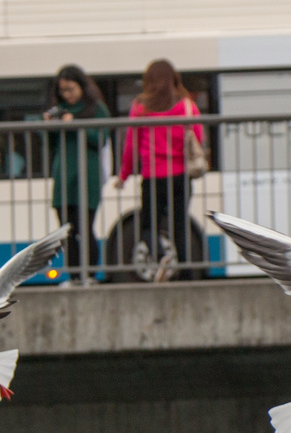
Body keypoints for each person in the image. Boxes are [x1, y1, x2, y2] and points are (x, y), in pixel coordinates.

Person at [116, 59, 203, 280]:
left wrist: (124, 175)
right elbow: (198, 138)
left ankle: (160, 253)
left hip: (153, 177)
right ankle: (186, 276)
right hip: (181, 176)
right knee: (180, 226)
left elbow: (131, 145)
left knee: (148, 227)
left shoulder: (141, 108)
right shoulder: (186, 106)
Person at [44, 64, 110, 280]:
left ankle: (89, 275)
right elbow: (50, 144)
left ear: (82, 86)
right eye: (63, 90)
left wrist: (76, 124)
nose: (67, 95)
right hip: (64, 177)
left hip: (87, 177)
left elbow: (100, 138)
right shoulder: (59, 110)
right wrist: (49, 126)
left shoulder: (96, 108)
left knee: (85, 227)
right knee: (67, 232)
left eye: (71, 89)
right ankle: (73, 276)